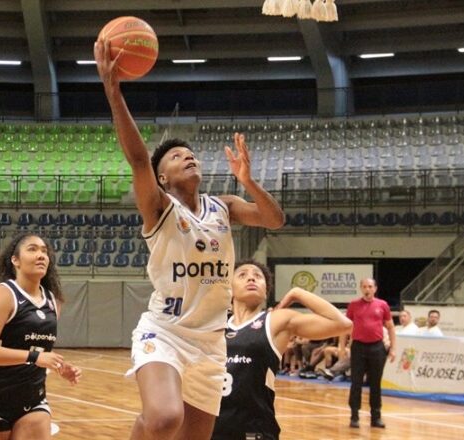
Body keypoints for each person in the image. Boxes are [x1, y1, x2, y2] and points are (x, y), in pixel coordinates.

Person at [95, 40, 285, 440]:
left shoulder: (224, 206)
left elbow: (274, 220)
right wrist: (114, 94)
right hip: (165, 331)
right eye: (177, 156)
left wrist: (248, 181)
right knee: (164, 418)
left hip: (211, 343)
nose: (188, 156)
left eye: (191, 153)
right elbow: (138, 160)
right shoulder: (159, 208)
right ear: (162, 177)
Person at [0, 233, 81, 439]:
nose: (41, 255)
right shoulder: (5, 294)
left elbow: (36, 348)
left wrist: (59, 365)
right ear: (15, 260)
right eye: (32, 249)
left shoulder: (52, 300)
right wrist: (35, 357)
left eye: (44, 251)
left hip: (32, 400)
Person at [212, 260, 351, 440]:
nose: (251, 278)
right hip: (213, 426)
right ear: (229, 288)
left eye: (258, 276)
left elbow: (343, 324)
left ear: (266, 290)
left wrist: (297, 293)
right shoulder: (216, 324)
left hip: (254, 428)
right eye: (242, 275)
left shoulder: (275, 320)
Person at [339, 278, 396, 429]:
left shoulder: (382, 305)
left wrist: (393, 348)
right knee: (356, 382)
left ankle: (376, 417)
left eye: (370, 286)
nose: (367, 289)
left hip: (377, 348)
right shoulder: (353, 305)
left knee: (375, 383)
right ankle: (354, 416)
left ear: (375, 289)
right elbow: (345, 327)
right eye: (364, 286)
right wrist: (341, 347)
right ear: (361, 288)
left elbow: (390, 327)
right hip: (358, 347)